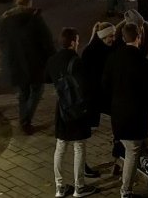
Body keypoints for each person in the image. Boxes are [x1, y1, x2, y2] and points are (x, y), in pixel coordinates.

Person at [101, 21, 148, 198]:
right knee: (133, 151)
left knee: (134, 147)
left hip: (118, 114)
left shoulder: (113, 58)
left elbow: (105, 85)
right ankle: (126, 191)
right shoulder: (144, 63)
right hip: (135, 117)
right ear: (139, 37)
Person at [46, 27, 100, 198]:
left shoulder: (53, 60)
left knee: (60, 147)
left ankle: (59, 187)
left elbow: (47, 78)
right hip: (77, 110)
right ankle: (79, 187)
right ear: (72, 42)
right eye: (77, 40)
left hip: (62, 109)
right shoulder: (76, 61)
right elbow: (85, 87)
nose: (78, 43)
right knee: (79, 147)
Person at [0, 0, 55, 135]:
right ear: (29, 3)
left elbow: (1, 42)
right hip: (35, 63)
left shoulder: (7, 20)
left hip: (16, 63)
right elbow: (47, 41)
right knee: (37, 90)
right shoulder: (35, 19)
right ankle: (26, 119)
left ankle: (24, 118)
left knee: (23, 92)